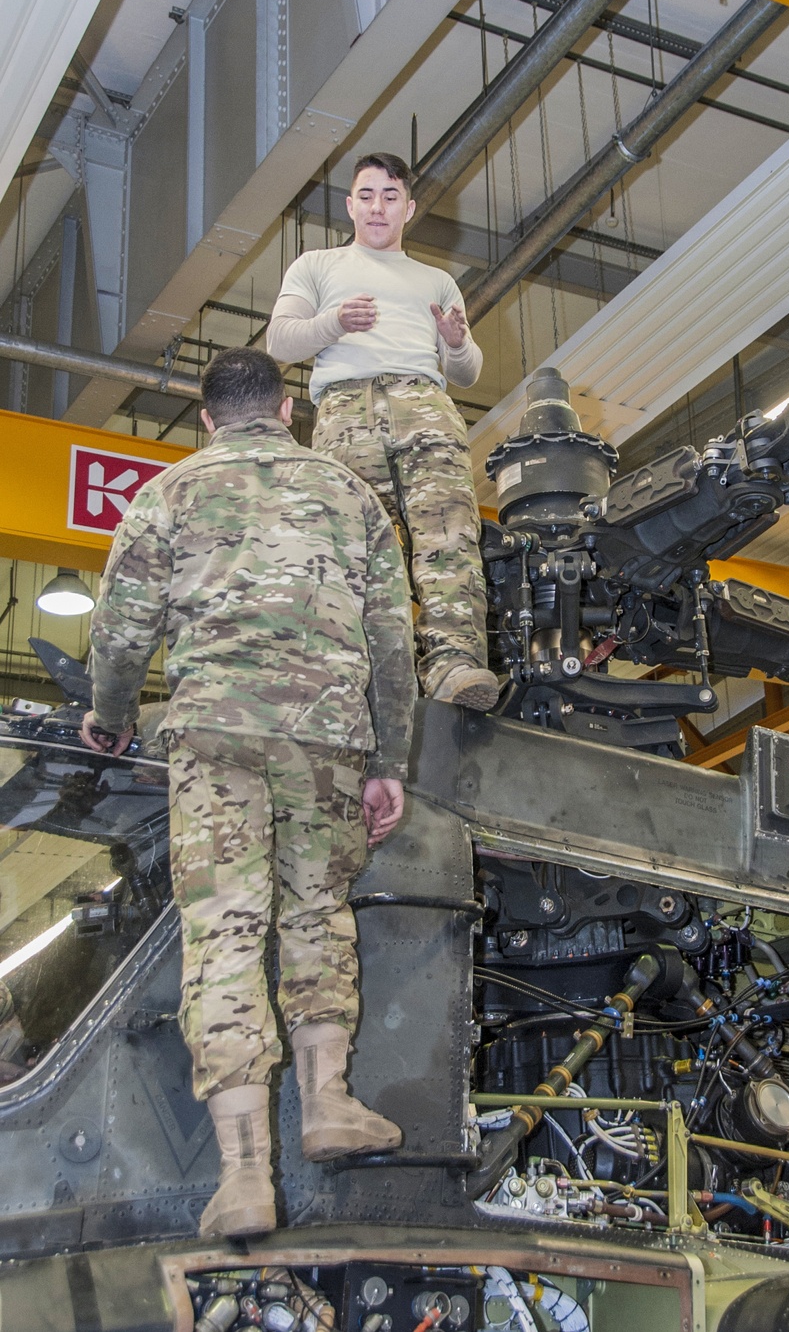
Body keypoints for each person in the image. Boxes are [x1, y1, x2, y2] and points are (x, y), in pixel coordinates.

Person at [80, 347, 416, 1240]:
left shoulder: (169, 492)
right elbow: (392, 643)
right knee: (317, 911)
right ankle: (329, 1103)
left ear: (205, 418)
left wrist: (110, 718)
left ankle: (242, 1177)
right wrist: (393, 763)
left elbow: (121, 630)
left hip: (214, 733)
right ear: (290, 407)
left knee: (224, 929)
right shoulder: (351, 495)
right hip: (328, 735)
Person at [266, 151, 498, 711]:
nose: (377, 206)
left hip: (424, 404)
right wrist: (335, 323)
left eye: (390, 197)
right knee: (354, 548)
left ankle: (453, 666)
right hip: (346, 412)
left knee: (449, 537)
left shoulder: (437, 281)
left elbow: (466, 373)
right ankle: (354, 674)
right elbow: (279, 342)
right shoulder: (316, 266)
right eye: (367, 195)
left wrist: (458, 339)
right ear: (350, 205)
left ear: (408, 208)